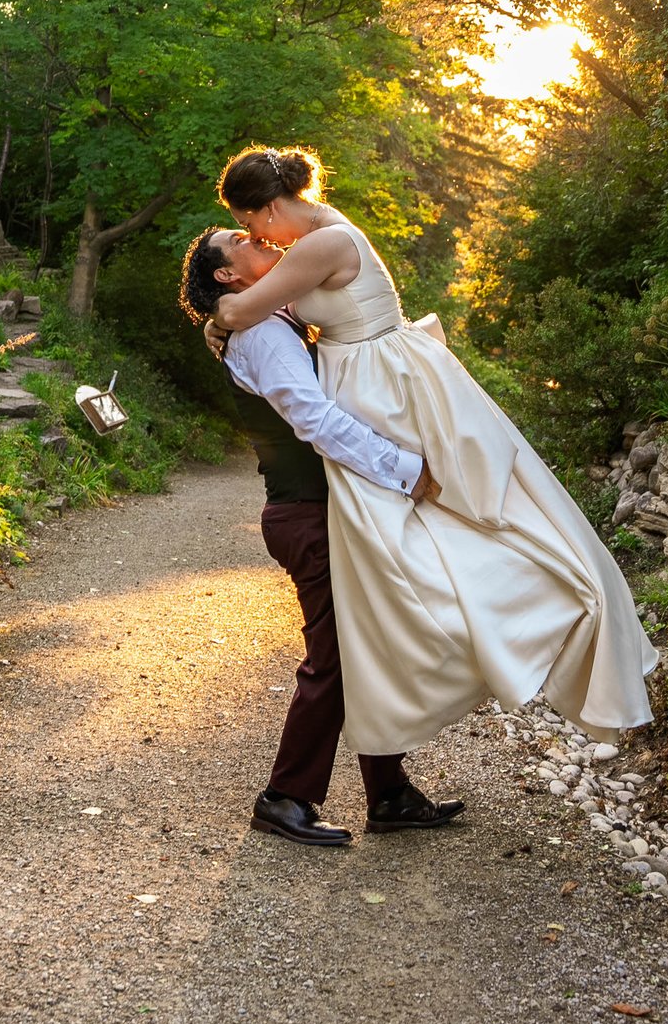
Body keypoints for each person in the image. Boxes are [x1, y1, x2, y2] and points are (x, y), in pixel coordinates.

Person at [205, 145, 657, 758]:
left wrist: (221, 317)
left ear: (268, 205)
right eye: (248, 235)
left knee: (438, 524)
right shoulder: (315, 237)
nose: (259, 236)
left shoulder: (319, 243)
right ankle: (397, 754)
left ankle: (533, 623)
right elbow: (271, 308)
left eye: (251, 222)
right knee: (406, 550)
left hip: (382, 384)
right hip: (372, 377)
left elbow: (241, 307)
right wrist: (229, 316)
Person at [178, 225, 468, 847]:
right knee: (335, 657)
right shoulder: (259, 332)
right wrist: (405, 470)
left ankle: (387, 793)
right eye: (242, 239)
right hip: (306, 516)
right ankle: (285, 797)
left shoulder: (262, 317)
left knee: (366, 646)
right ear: (228, 274)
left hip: (322, 511)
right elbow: (313, 417)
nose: (261, 238)